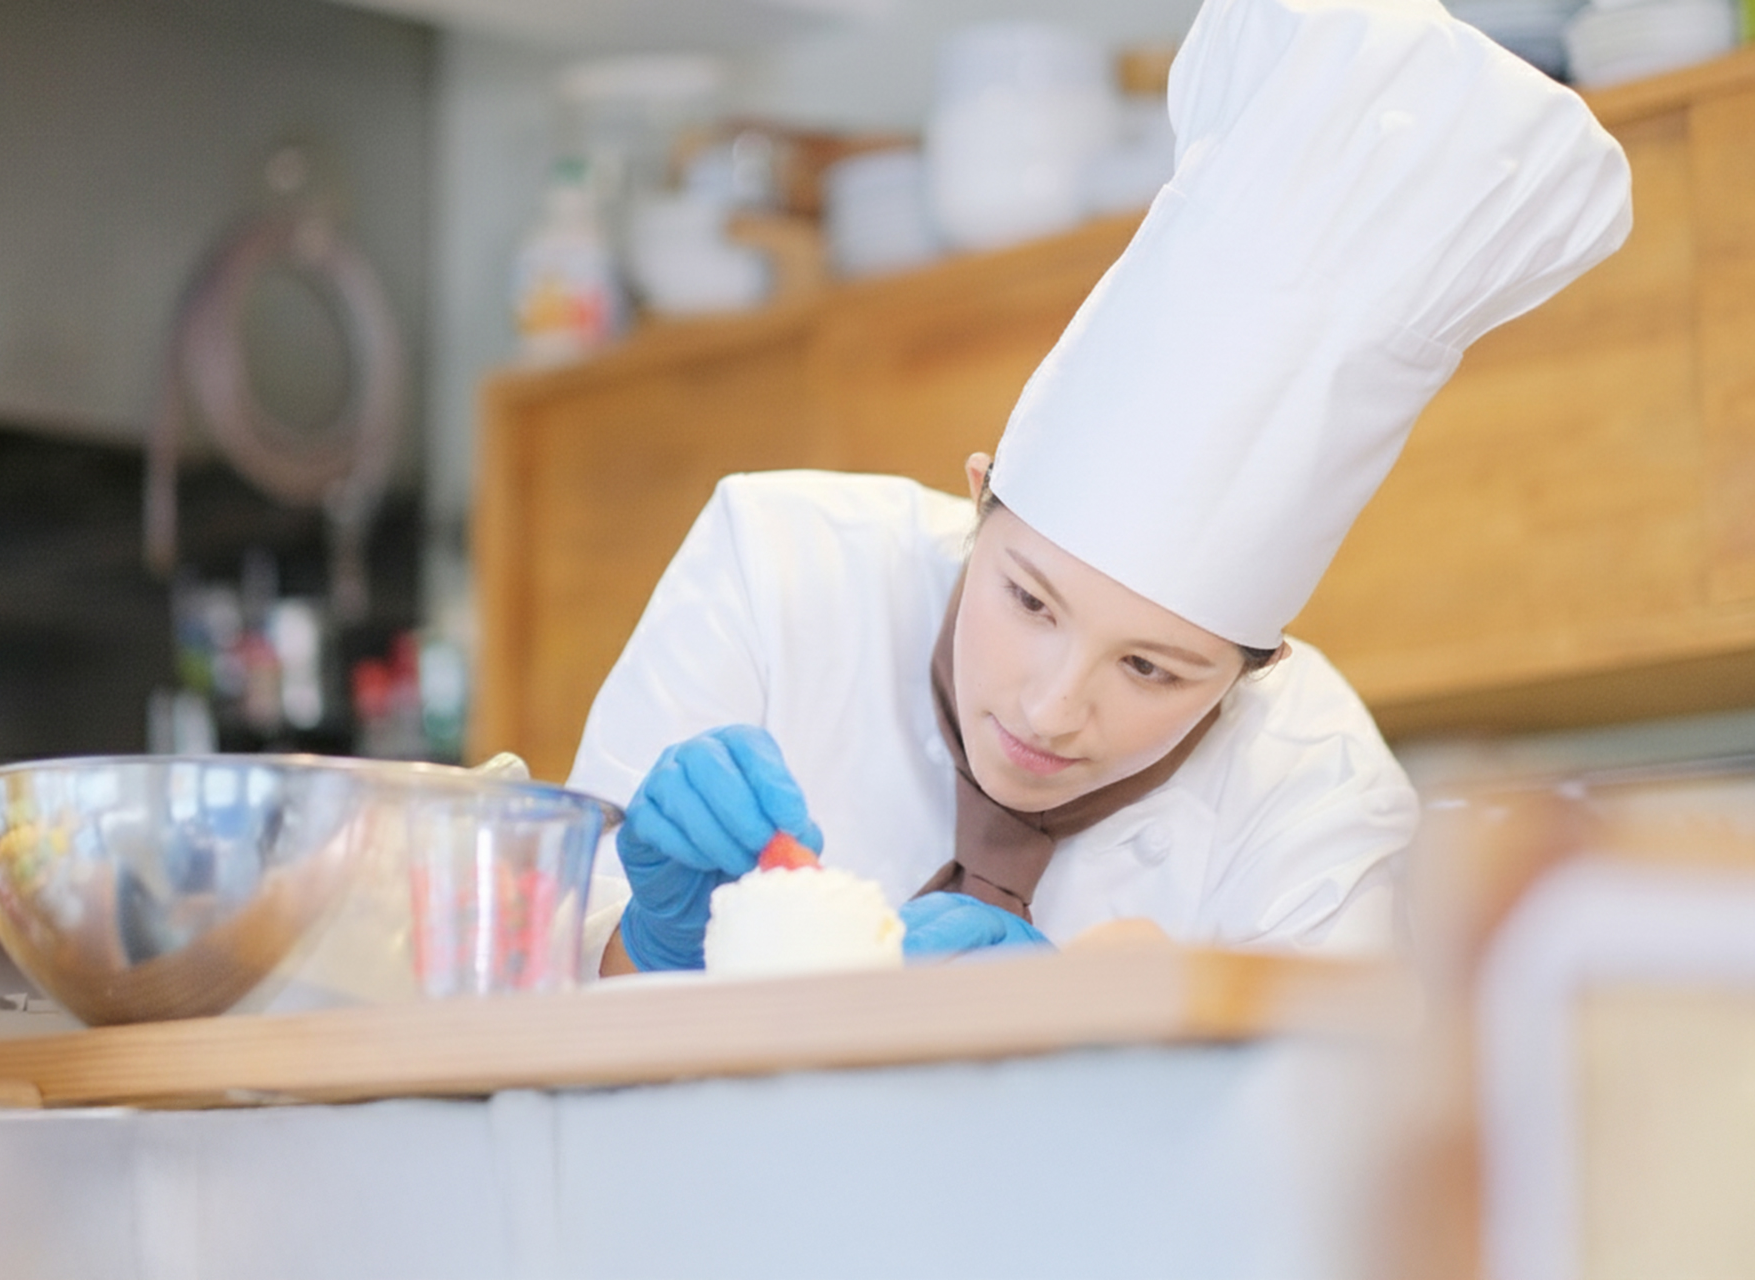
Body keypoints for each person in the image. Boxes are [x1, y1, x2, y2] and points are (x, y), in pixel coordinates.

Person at [566, 0, 1634, 975]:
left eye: (1151, 669)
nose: (1051, 708)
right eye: (1029, 601)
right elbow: (532, 1021)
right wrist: (649, 942)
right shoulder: (779, 568)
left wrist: (1105, 1042)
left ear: (1254, 670)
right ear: (979, 499)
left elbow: (1326, 1116)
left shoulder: (1316, 789)